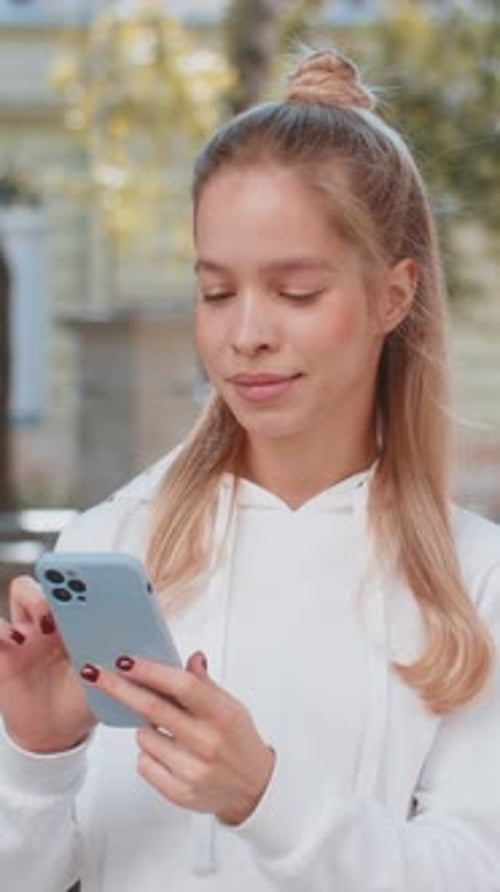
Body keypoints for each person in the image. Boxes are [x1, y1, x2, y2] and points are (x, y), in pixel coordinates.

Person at [0, 49, 499, 892]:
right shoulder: (113, 545)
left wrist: (264, 797)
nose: (246, 336)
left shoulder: (474, 583)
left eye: (296, 291)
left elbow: (474, 872)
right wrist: (36, 757)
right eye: (217, 292)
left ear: (394, 295)